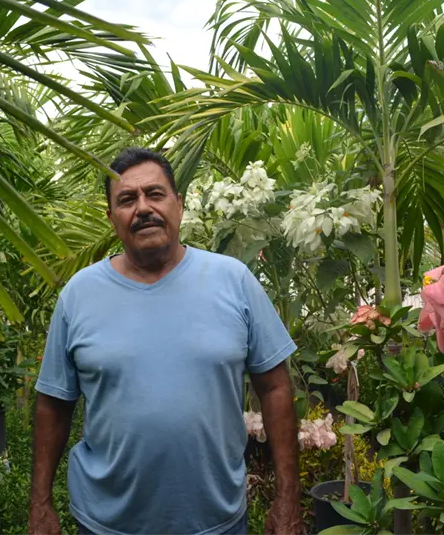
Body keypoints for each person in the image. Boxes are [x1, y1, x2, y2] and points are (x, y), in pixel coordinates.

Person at [28, 147, 302, 535]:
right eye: (126, 199)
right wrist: (40, 504)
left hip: (216, 522)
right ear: (111, 218)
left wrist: (288, 499)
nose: (143, 208)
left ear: (179, 205)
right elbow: (53, 405)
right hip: (106, 524)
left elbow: (275, 388)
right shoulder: (78, 295)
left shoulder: (233, 280)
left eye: (155, 194)